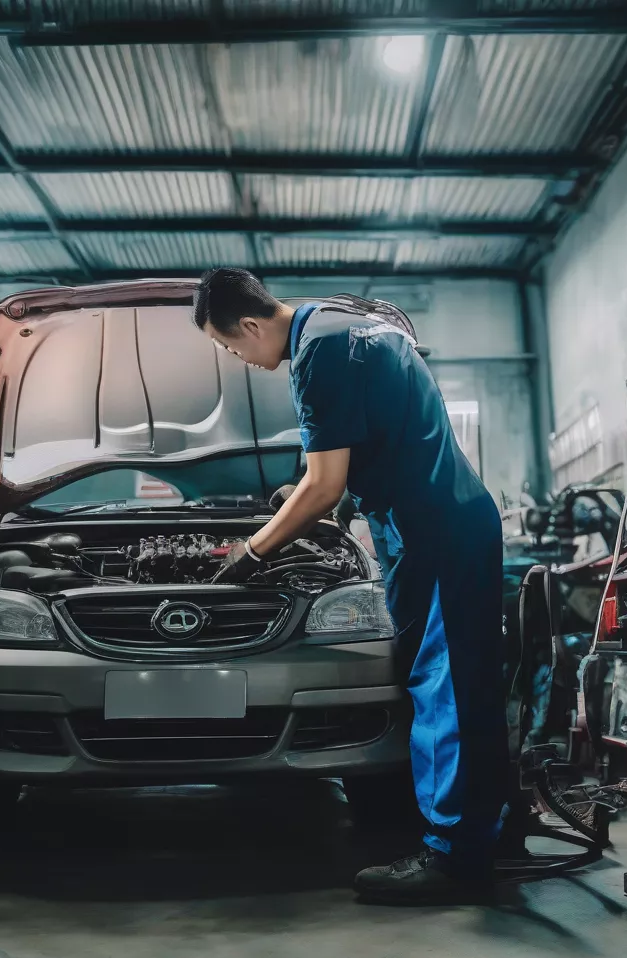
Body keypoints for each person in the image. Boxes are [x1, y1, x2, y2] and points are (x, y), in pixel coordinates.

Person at [192, 268, 508, 905]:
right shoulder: (350, 323)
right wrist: (318, 502)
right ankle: (477, 833)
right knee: (455, 681)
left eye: (232, 349)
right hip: (439, 522)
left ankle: (455, 860)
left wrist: (252, 553)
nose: (242, 362)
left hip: (434, 532)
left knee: (444, 684)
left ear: (251, 326)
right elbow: (372, 446)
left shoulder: (317, 353)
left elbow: (324, 485)